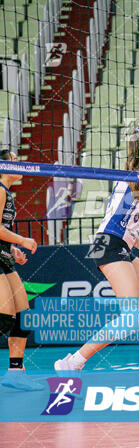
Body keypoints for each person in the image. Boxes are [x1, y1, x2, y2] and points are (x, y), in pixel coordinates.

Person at [54, 125, 139, 375]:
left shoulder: (138, 170)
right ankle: (72, 362)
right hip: (108, 242)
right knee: (133, 318)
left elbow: (128, 224)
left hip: (116, 242)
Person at [0, 150, 40, 390]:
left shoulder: (7, 193)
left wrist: (12, 246)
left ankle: (16, 373)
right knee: (4, 317)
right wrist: (23, 240)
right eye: (14, 161)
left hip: (3, 255)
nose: (19, 165)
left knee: (23, 314)